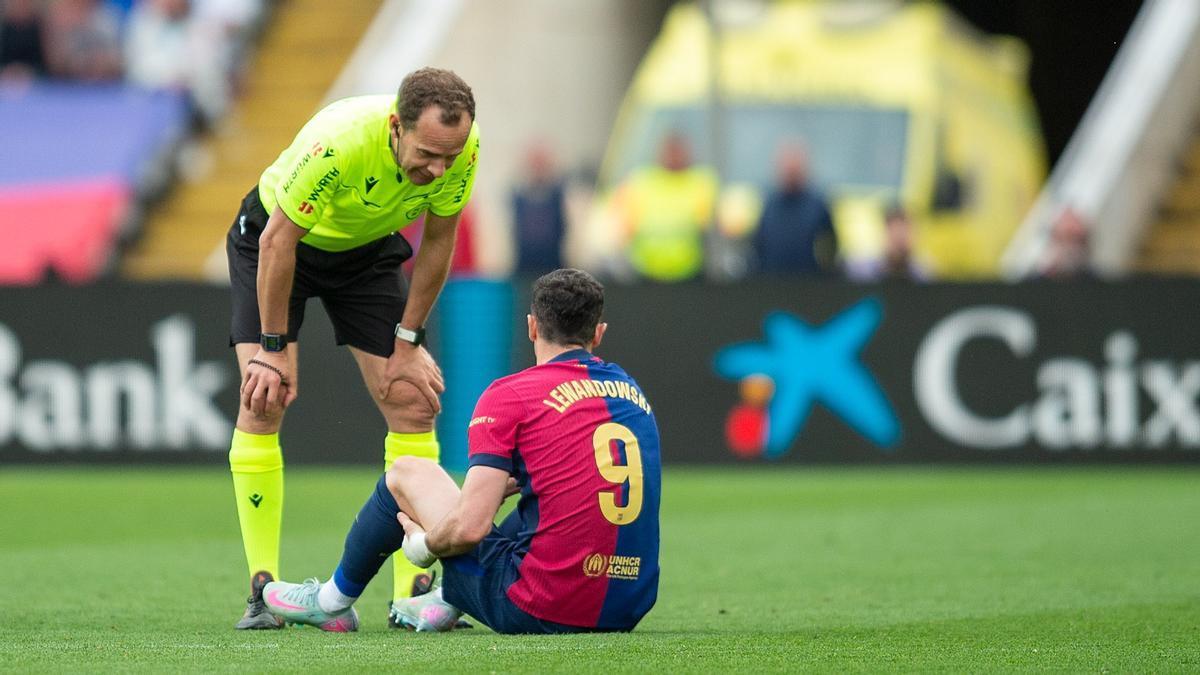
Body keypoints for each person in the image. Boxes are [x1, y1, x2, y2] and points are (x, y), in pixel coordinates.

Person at [262, 269, 662, 634]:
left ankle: (330, 602)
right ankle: (444, 600)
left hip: (541, 606)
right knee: (538, 503)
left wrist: (424, 546)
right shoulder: (632, 393)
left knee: (407, 472)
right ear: (598, 334)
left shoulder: (511, 395)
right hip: (626, 607)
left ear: (532, 326)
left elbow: (470, 529)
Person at [225, 67, 480, 630]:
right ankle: (263, 591)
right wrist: (271, 349)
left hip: (363, 253)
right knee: (263, 395)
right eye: (427, 155)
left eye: (449, 157)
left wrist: (409, 341)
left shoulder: (462, 148)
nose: (439, 170)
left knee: (413, 398)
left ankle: (412, 594)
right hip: (275, 245)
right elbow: (278, 242)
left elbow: (440, 239)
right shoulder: (338, 144)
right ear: (395, 127)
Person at [612, 132, 717, 282]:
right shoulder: (641, 180)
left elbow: (709, 226)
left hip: (690, 273)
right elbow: (624, 227)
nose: (673, 156)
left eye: (677, 152)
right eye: (670, 151)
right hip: (645, 273)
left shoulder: (701, 182)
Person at [752, 143, 838, 276]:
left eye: (795, 171)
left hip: (809, 281)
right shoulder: (768, 205)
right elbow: (758, 246)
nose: (791, 174)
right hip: (772, 280)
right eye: (788, 170)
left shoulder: (818, 207)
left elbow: (830, 248)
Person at [511, 142, 567, 274]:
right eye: (535, 164)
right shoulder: (517, 197)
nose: (538, 168)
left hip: (553, 266)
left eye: (541, 163)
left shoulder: (559, 196)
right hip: (525, 267)